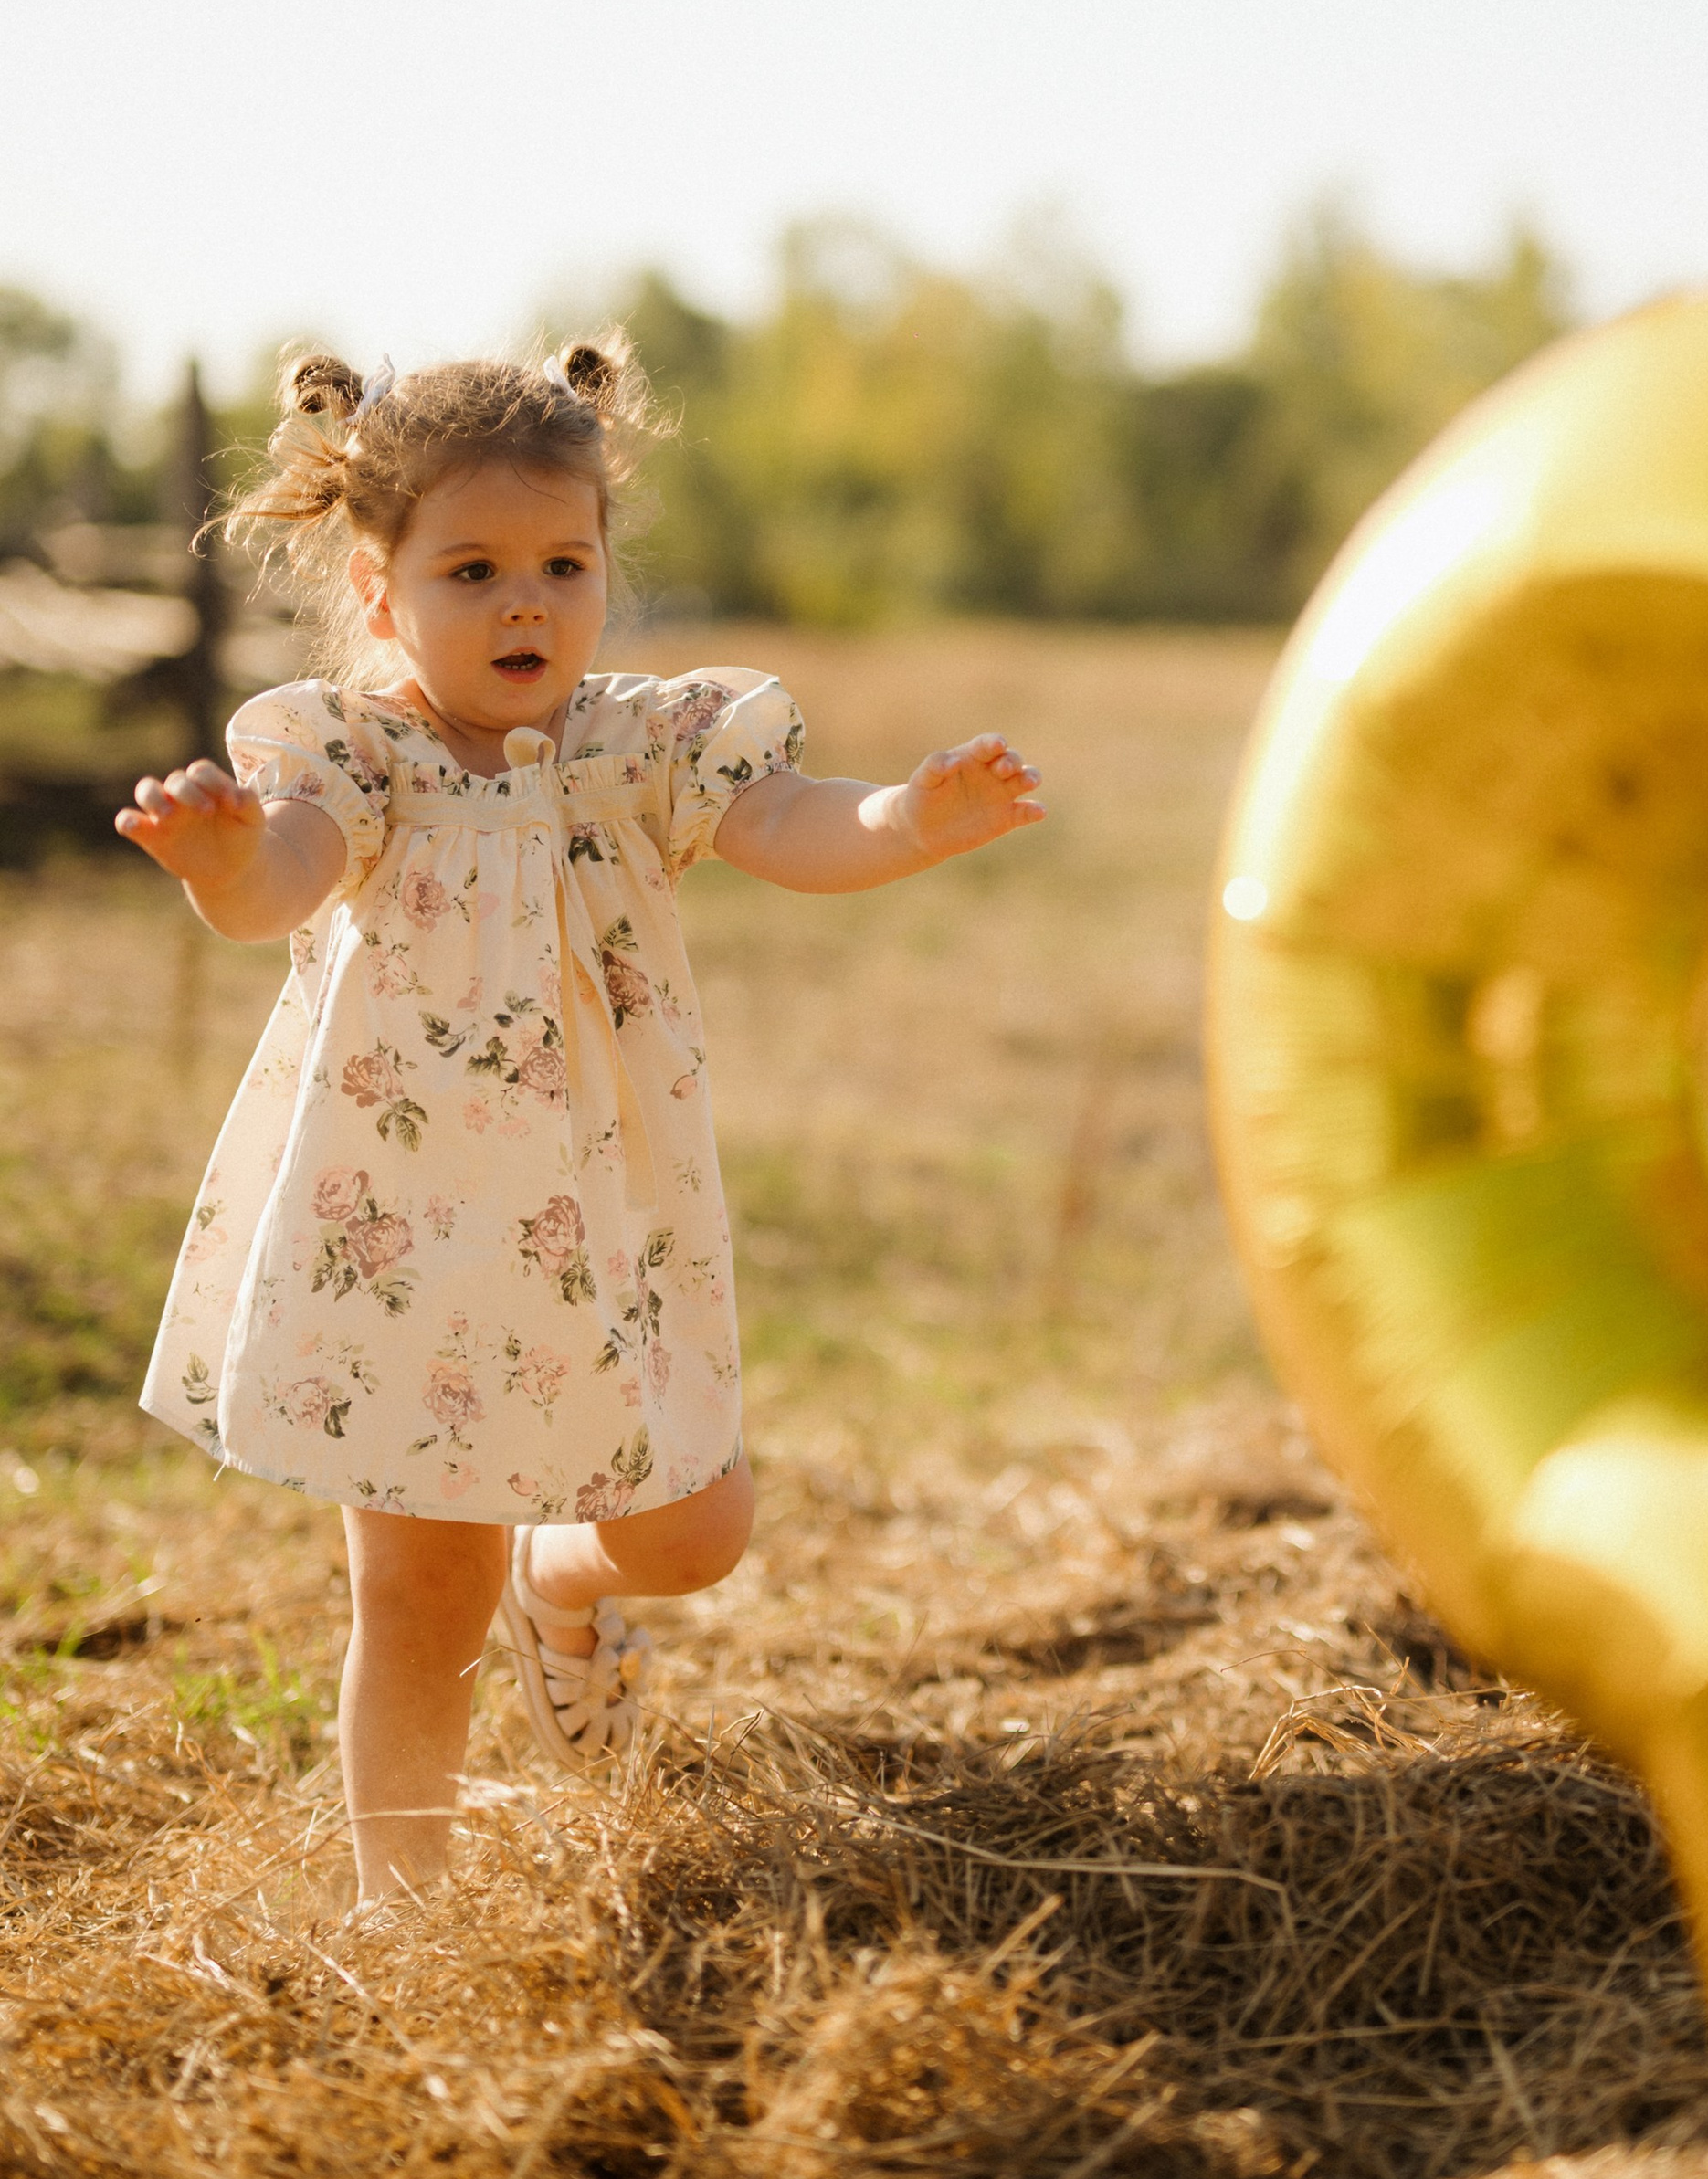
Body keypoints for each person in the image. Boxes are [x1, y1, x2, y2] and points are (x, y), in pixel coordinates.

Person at [116, 338, 1042, 1902]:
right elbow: (279, 875)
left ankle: (567, 1575)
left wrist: (907, 820)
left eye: (564, 561)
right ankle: (403, 1929)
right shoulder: (359, 754)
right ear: (376, 582)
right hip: (400, 1223)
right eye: (472, 569)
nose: (526, 602)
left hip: (611, 1210)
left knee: (696, 1531)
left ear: (610, 563)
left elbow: (784, 825)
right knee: (419, 1597)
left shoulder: (647, 746)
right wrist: (218, 862)